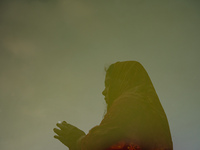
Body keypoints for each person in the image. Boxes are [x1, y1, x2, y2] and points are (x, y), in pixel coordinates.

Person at [53, 61, 173, 150]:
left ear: (123, 80)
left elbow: (101, 141)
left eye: (108, 84)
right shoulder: (150, 110)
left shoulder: (130, 101)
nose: (104, 91)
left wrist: (78, 140)